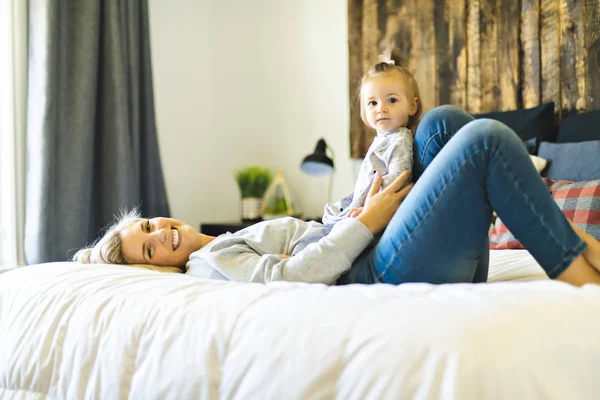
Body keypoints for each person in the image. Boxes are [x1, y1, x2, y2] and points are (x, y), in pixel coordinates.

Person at [73, 105, 600, 287]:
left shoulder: (221, 241)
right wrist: (367, 221)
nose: (160, 234)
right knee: (484, 142)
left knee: (437, 127)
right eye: (151, 249)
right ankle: (579, 271)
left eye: (148, 227)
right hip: (374, 269)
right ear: (162, 269)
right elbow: (295, 275)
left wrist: (357, 203)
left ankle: (555, 234)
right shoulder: (211, 264)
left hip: (375, 242)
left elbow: (312, 242)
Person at [323, 49, 421, 227]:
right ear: (364, 111)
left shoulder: (400, 140)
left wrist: (369, 210)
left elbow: (397, 181)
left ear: (412, 106)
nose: (381, 108)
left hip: (377, 214)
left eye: (392, 100)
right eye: (372, 103)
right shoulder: (383, 139)